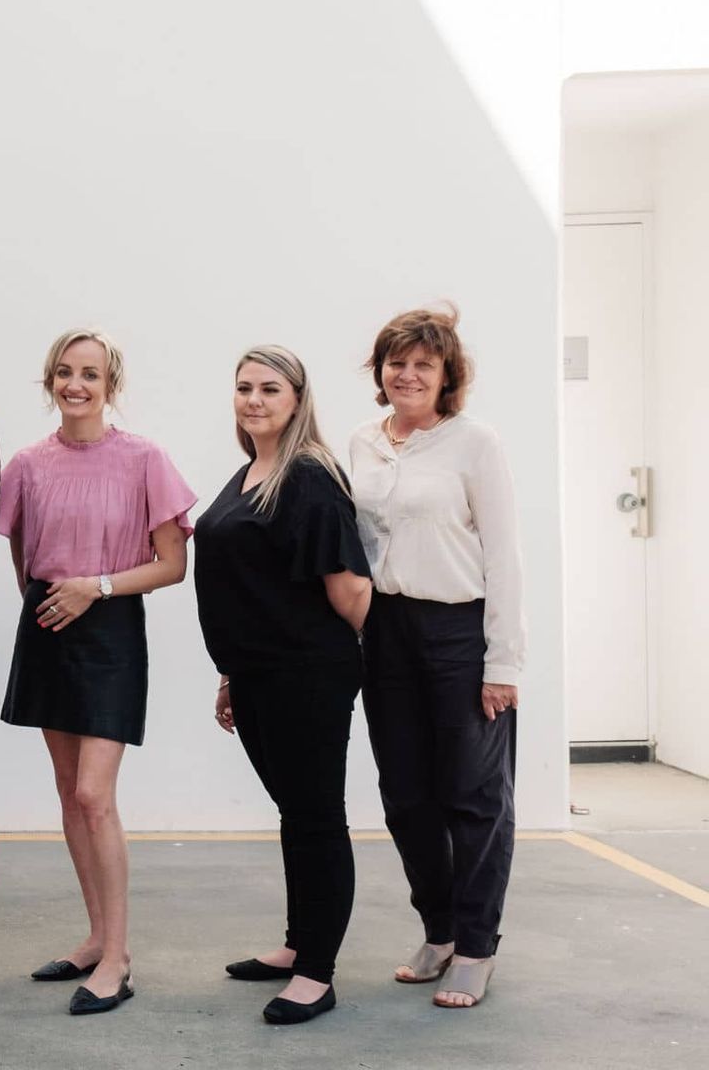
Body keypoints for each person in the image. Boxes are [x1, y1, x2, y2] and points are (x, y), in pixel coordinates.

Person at [0, 329, 194, 1015]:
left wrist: (98, 587)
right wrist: (59, 594)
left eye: (90, 374)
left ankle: (118, 956)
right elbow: (21, 550)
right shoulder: (26, 462)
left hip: (109, 625)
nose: (75, 384)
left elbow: (173, 564)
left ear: (111, 385)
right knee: (67, 789)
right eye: (63, 372)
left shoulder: (144, 459)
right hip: (50, 618)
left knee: (93, 793)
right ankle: (95, 936)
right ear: (49, 380)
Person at [349, 306, 523, 1010]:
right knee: (406, 797)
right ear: (380, 371)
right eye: (397, 361)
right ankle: (440, 929)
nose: (408, 373)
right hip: (383, 631)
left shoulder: (475, 444)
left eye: (424, 364)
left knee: (474, 797)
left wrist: (502, 662)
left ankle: (477, 946)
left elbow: (506, 555)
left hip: (458, 630)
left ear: (447, 375)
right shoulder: (363, 443)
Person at [193, 346, 372, 1026]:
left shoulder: (308, 477)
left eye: (270, 388)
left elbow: (350, 589)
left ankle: (316, 974)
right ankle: (299, 942)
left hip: (307, 675)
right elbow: (250, 588)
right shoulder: (252, 472)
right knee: (295, 812)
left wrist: (390, 674)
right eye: (243, 387)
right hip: (258, 674)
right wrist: (232, 673)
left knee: (317, 815)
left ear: (297, 398)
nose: (254, 399)